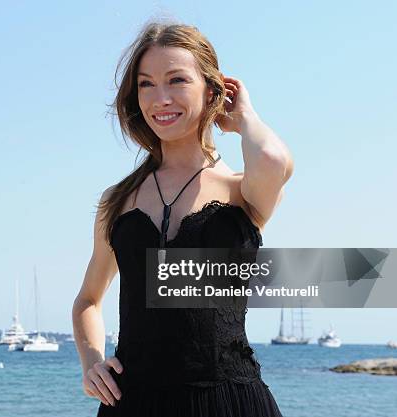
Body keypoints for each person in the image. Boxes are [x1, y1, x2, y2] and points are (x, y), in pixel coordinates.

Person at [72, 20, 293, 417]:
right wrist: (92, 362)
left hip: (229, 403)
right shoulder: (118, 200)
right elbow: (88, 300)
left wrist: (244, 118)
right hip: (132, 403)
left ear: (213, 90)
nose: (160, 98)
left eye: (176, 80)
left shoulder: (241, 190)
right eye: (146, 84)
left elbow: (275, 159)